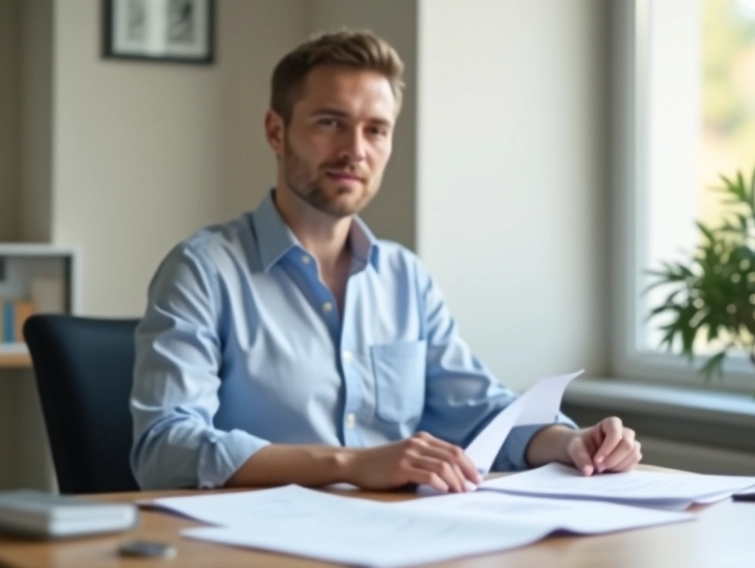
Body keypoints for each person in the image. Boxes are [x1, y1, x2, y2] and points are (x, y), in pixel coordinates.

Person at [129, 29, 642, 492]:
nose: (356, 150)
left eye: (376, 129)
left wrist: (569, 442)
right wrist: (350, 463)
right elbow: (164, 447)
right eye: (331, 122)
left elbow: (481, 412)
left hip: (396, 538)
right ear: (275, 132)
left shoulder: (405, 278)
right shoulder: (202, 270)